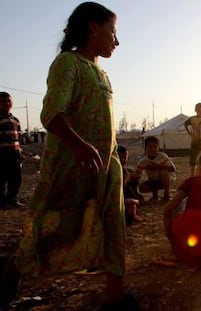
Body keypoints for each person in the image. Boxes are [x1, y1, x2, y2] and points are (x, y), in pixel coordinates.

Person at [1, 3, 142, 310]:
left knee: (114, 225)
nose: (116, 41)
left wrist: (116, 163)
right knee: (55, 230)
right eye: (113, 31)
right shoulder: (68, 64)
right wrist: (79, 146)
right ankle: (9, 276)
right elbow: (50, 114)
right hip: (72, 168)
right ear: (93, 27)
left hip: (106, 168)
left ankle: (114, 296)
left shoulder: (101, 73)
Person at [0, 92, 25, 208]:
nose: (6, 103)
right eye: (3, 101)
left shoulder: (15, 120)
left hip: (14, 153)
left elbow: (18, 137)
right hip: (2, 154)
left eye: (8, 101)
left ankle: (12, 199)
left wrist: (20, 150)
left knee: (16, 178)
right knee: (2, 178)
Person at [136, 136, 176, 202]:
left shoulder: (163, 156)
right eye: (150, 147)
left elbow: (173, 169)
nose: (152, 149)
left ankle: (166, 194)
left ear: (158, 148)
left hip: (167, 179)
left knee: (164, 172)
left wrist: (158, 167)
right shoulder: (143, 161)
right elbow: (137, 174)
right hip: (153, 180)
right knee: (142, 187)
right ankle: (155, 195)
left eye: (155, 147)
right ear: (145, 148)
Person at [117, 145, 144, 224]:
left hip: (126, 192)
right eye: (121, 157)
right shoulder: (117, 169)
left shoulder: (126, 169)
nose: (123, 160)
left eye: (125, 157)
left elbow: (137, 176)